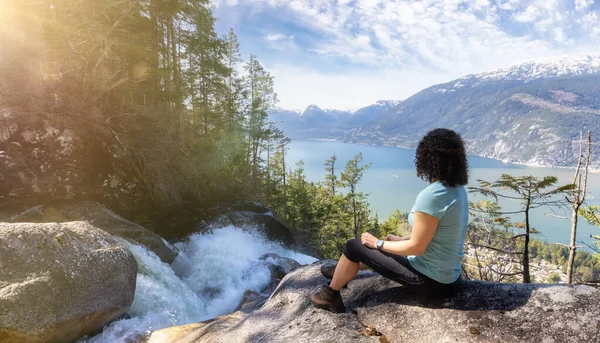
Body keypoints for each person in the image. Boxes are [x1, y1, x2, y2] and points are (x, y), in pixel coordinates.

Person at [310, 128, 469, 313]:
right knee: (379, 246)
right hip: (449, 277)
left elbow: (417, 247)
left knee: (353, 246)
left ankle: (330, 295)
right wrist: (400, 240)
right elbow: (433, 235)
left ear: (429, 160)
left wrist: (377, 243)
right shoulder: (456, 190)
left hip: (430, 281)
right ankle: (343, 269)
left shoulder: (433, 195)